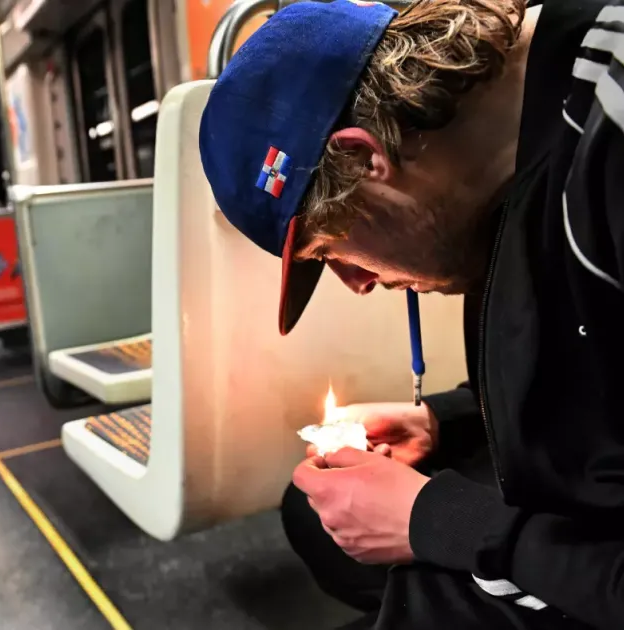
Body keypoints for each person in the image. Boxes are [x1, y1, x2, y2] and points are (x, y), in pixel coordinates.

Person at [198, 0, 624, 628]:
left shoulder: (608, 152)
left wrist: (439, 522)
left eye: (333, 249)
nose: (359, 284)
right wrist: (444, 420)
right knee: (318, 515)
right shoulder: (516, 160)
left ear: (367, 161)